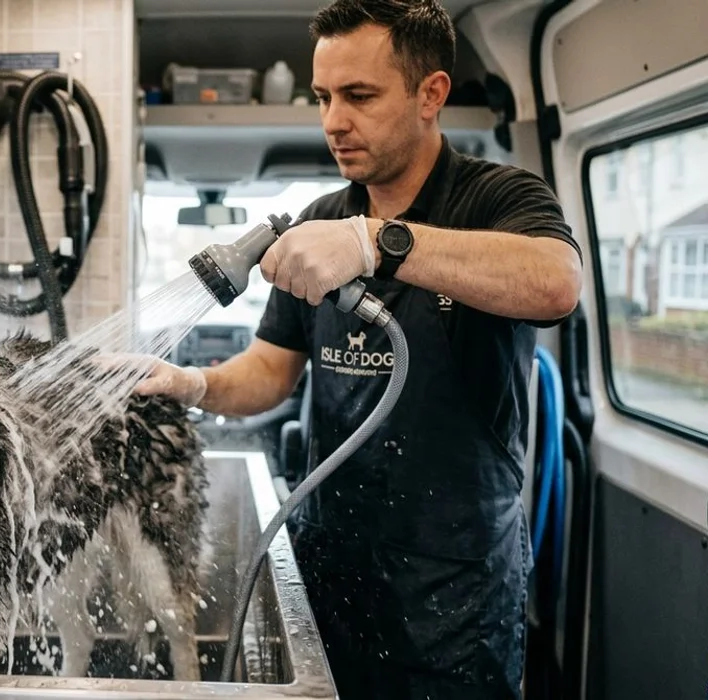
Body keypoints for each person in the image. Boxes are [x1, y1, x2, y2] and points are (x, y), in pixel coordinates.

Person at [132, 0, 583, 698]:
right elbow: (270, 371)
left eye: (359, 96)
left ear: (430, 94)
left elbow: (555, 284)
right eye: (323, 97)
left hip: (453, 589)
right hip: (333, 567)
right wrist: (191, 383)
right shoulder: (321, 222)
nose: (333, 121)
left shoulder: (497, 197)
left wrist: (377, 241)